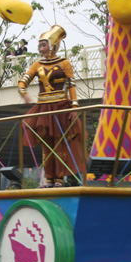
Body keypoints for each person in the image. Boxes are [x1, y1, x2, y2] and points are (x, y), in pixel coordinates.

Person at [18, 25, 85, 188]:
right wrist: (24, 93)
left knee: (60, 143)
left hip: (61, 106)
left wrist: (74, 106)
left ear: (53, 45)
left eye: (44, 45)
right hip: (43, 108)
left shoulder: (64, 63)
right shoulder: (37, 65)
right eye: (40, 45)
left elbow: (71, 84)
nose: (41, 49)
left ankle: (59, 179)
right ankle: (49, 178)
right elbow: (23, 81)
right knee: (46, 144)